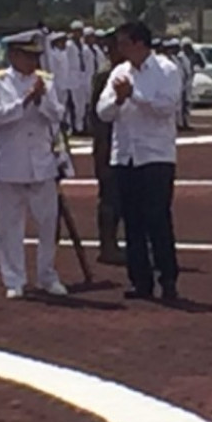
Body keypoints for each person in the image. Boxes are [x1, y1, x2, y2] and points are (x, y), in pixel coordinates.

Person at [95, 21, 184, 302]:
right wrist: (119, 100)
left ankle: (167, 279)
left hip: (156, 155)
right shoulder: (119, 73)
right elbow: (103, 112)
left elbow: (166, 107)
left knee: (157, 218)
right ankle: (140, 280)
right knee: (132, 220)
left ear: (139, 43)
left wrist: (134, 95)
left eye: (123, 43)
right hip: (126, 155)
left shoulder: (166, 70)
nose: (118, 49)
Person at [0, 30, 69, 300]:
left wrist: (41, 100)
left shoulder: (46, 81)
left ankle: (47, 275)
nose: (33, 62)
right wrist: (24, 101)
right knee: (10, 226)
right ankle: (14, 278)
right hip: (11, 161)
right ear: (13, 55)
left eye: (36, 57)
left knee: (47, 224)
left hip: (41, 163)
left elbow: (57, 115)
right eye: (28, 56)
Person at [88, 27, 125, 265]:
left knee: (122, 197)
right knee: (110, 197)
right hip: (107, 143)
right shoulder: (105, 76)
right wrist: (102, 147)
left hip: (124, 145)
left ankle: (114, 244)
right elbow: (98, 116)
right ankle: (107, 246)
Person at [66, 20, 92, 135]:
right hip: (72, 77)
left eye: (80, 31)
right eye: (77, 31)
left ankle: (80, 127)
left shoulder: (83, 46)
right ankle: (73, 127)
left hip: (82, 76)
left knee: (82, 104)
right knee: (73, 104)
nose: (79, 34)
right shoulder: (68, 46)